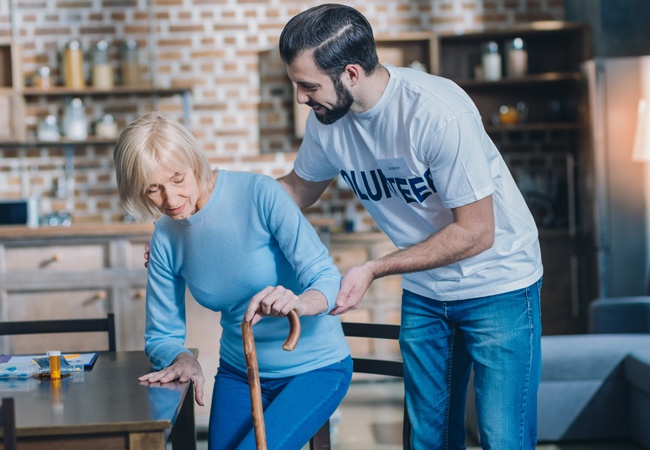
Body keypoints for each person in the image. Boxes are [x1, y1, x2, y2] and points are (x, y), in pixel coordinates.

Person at [276, 4, 543, 449]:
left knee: (504, 438)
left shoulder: (436, 112)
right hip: (427, 292)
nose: (301, 98)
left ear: (352, 74)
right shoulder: (328, 121)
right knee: (427, 439)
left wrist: (374, 267)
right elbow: (296, 190)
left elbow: (477, 232)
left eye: (308, 86)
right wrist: (206, 213)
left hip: (500, 285)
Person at [114, 111, 352, 450]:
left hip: (314, 369)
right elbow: (161, 334)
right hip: (239, 371)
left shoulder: (260, 193)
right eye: (153, 189)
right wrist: (180, 357)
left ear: (194, 162)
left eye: (178, 179)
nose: (170, 199)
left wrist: (297, 302)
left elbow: (326, 277)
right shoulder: (165, 236)